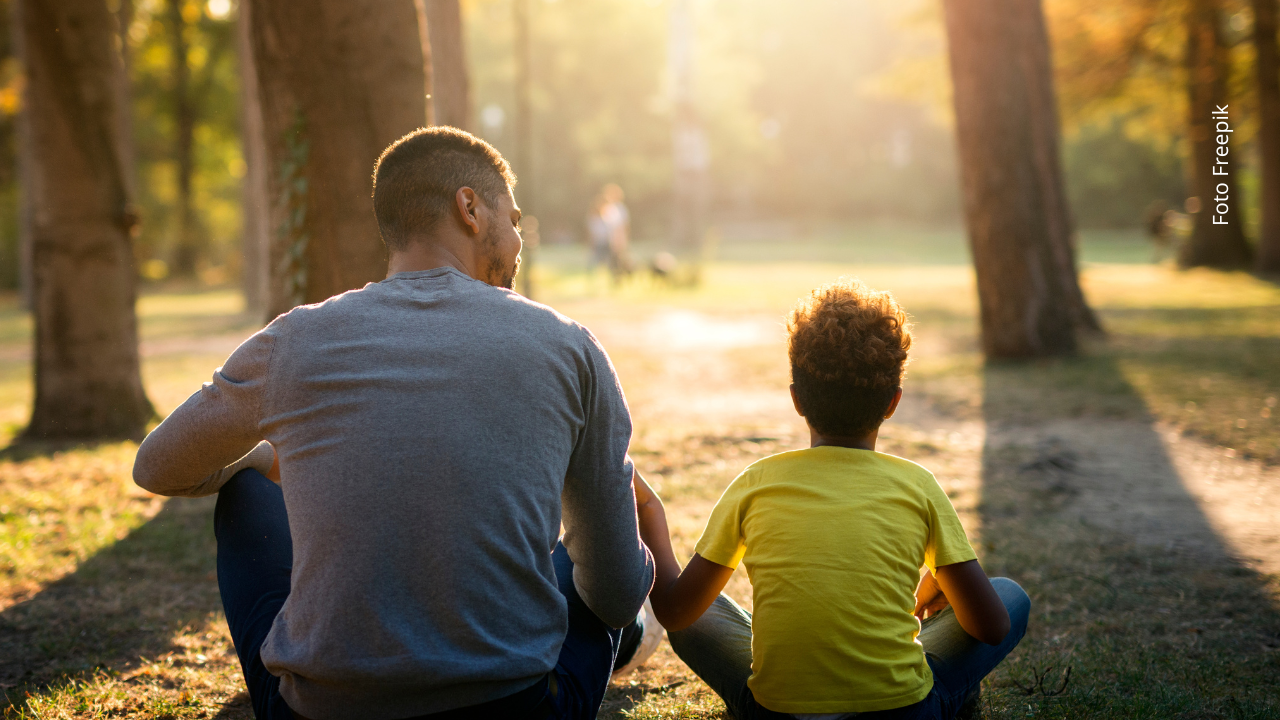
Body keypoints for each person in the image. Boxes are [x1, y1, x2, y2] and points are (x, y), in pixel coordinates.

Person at [132, 127, 661, 720]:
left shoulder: (294, 339)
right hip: (517, 709)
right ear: (469, 208)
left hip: (318, 714)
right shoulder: (569, 346)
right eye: (513, 220)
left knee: (246, 490)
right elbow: (613, 595)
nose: (518, 243)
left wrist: (258, 457)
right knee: (593, 559)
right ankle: (640, 637)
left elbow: (156, 467)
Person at [629, 279, 1030, 720]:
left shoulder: (755, 483)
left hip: (777, 715)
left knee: (697, 618)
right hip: (901, 714)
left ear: (797, 400)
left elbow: (674, 611)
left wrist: (652, 514)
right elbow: (991, 627)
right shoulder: (918, 486)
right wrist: (946, 581)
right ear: (893, 402)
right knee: (1009, 596)